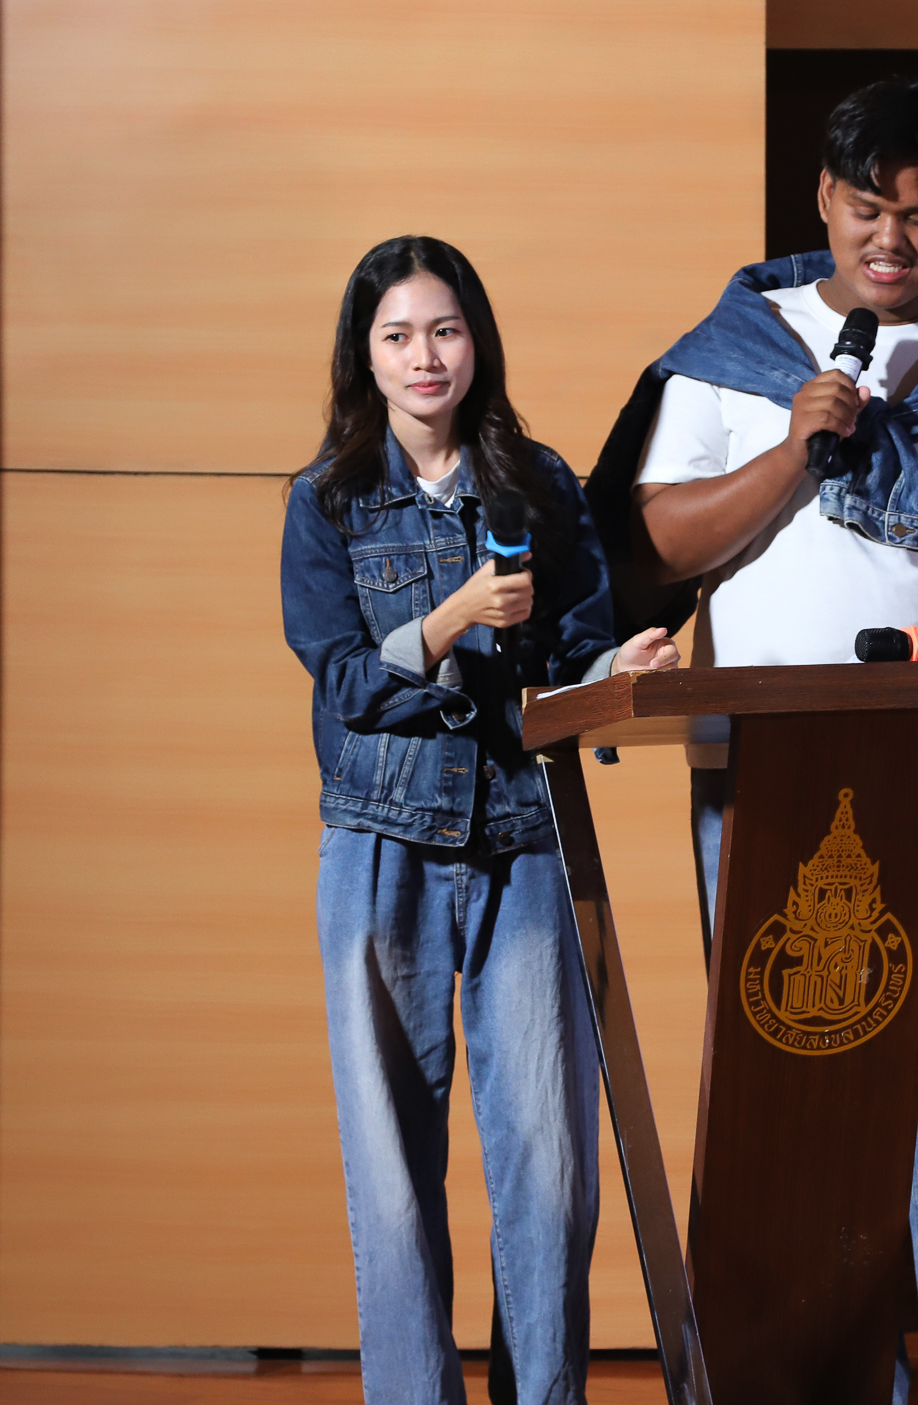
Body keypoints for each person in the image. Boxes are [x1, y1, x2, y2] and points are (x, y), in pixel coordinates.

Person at [594, 78, 918, 1404]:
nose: (892, 238)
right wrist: (795, 451)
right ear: (825, 200)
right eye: (866, 208)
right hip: (764, 785)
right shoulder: (740, 347)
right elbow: (654, 542)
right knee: (797, 1109)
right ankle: (812, 1384)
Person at [281, 236, 679, 1405]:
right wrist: (454, 617)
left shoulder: (538, 485)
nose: (425, 356)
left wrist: (618, 669)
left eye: (445, 330)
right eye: (398, 334)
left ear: (477, 342)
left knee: (550, 1164)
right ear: (365, 355)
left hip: (523, 838)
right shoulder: (328, 501)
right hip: (380, 843)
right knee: (393, 1172)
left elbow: (569, 655)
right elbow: (347, 684)